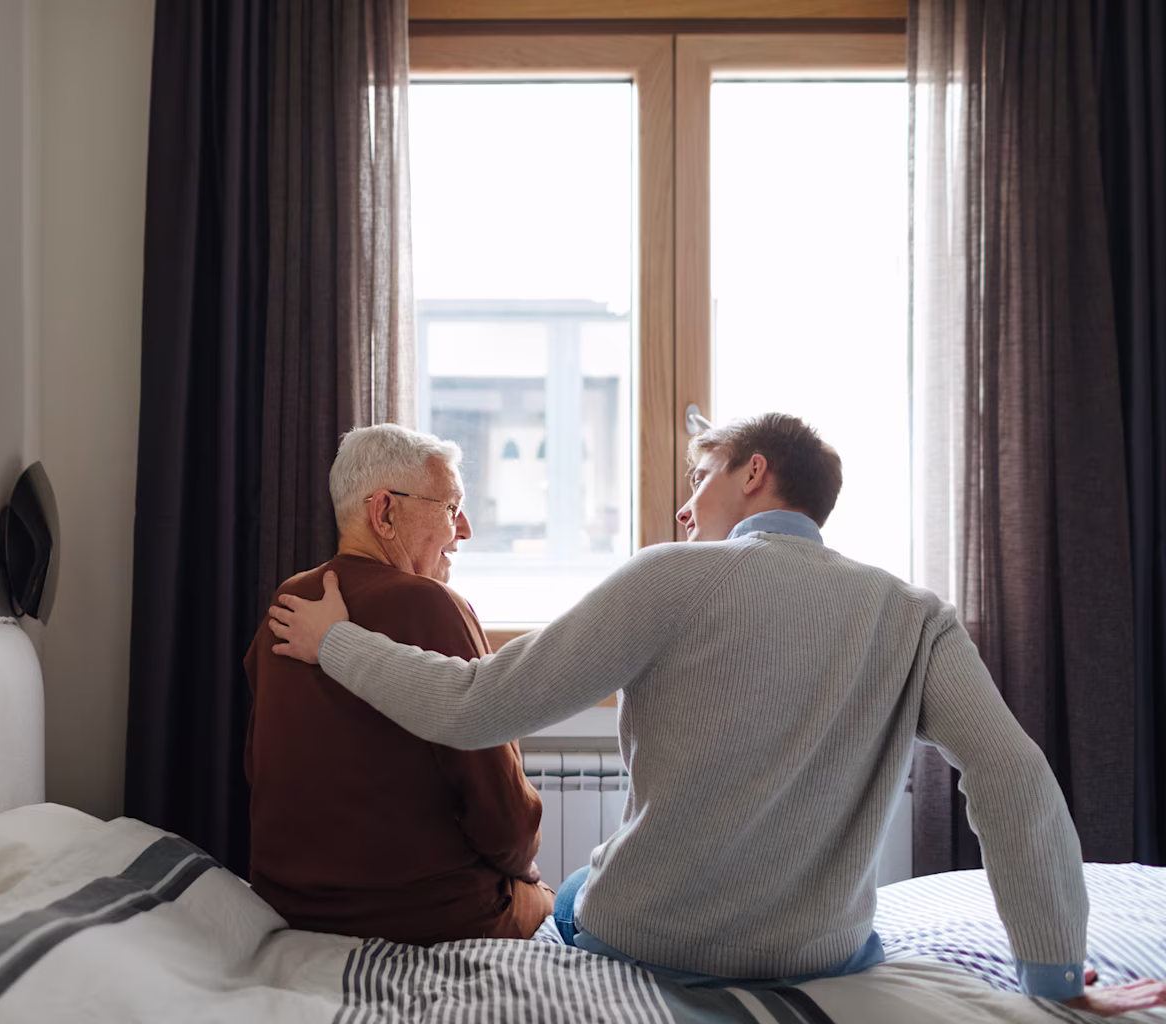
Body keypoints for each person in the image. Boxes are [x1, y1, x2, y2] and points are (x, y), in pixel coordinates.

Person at [266, 412, 1166, 1015]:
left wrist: (335, 644)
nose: (684, 507)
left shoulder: (668, 576)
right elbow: (1013, 776)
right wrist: (1051, 972)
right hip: (821, 952)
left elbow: (473, 706)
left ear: (755, 473)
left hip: (648, 936)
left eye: (701, 481)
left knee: (573, 894)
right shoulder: (912, 614)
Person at [242, 423, 553, 945]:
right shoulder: (434, 605)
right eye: (451, 508)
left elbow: (260, 767)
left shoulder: (289, 602)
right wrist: (527, 873)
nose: (466, 530)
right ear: (385, 512)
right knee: (568, 902)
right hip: (431, 916)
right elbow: (503, 818)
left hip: (294, 907)